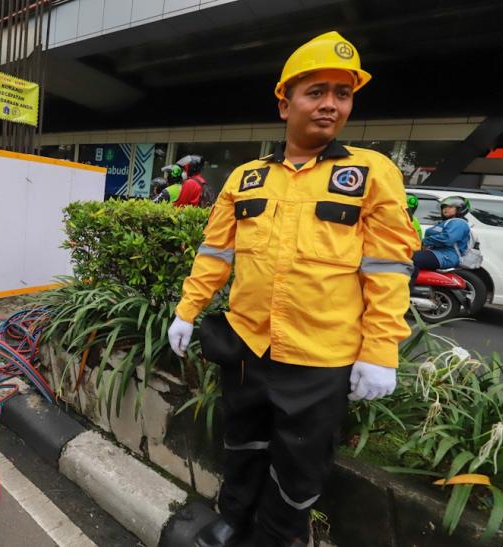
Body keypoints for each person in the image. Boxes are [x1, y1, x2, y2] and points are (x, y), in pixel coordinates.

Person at [167, 31, 418, 547]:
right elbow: (215, 255)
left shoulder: (371, 173)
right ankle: (234, 515)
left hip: (320, 358)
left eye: (342, 94)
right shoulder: (247, 178)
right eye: (316, 91)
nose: (330, 105)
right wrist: (187, 311)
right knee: (243, 442)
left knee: (299, 463)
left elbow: (389, 268)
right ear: (285, 102)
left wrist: (381, 350)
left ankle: (275, 536)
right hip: (248, 346)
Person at [410, 196, 472, 285]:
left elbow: (448, 239)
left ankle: (406, 288)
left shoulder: (459, 222)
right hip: (437, 254)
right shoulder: (446, 222)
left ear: (460, 209)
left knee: (410, 259)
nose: (445, 209)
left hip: (446, 256)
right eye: (444, 207)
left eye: (450, 207)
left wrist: (424, 241)